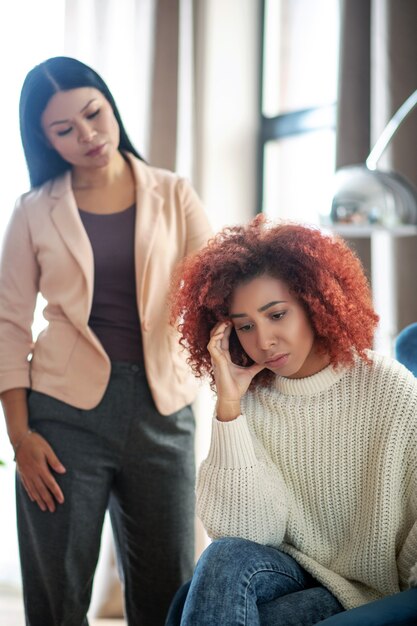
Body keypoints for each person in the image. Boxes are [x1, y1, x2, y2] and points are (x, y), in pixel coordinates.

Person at [0, 56, 212, 626]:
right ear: (43, 138)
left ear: (110, 103)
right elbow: (8, 327)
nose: (88, 135)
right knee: (56, 590)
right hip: (63, 415)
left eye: (94, 114)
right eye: (64, 129)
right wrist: (21, 436)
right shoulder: (31, 211)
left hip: (162, 408)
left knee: (168, 587)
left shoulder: (174, 194)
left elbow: (217, 292)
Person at [166, 215, 417, 625]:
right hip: (282, 572)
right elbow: (241, 533)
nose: (263, 341)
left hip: (367, 590)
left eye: (277, 315)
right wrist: (228, 407)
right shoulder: (251, 398)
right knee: (222, 557)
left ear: (314, 303)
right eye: (245, 326)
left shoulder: (387, 387)